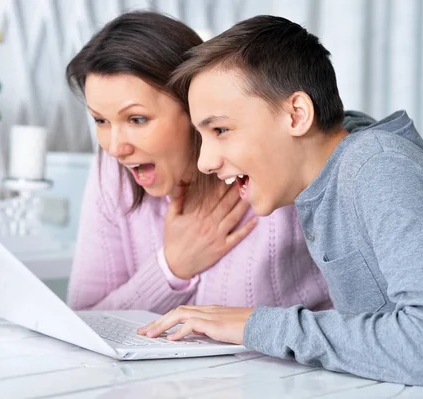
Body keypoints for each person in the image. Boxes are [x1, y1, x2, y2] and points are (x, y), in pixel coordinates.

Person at [139, 15, 423, 386]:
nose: (205, 162)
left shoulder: (377, 166)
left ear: (296, 114)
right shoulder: (330, 173)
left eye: (221, 130)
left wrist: (255, 324)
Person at [65, 11, 369, 314]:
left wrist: (252, 330)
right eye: (100, 120)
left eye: (137, 119)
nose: (116, 147)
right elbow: (85, 320)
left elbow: (374, 322)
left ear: (194, 107)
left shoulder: (283, 168)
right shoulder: (112, 174)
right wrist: (172, 267)